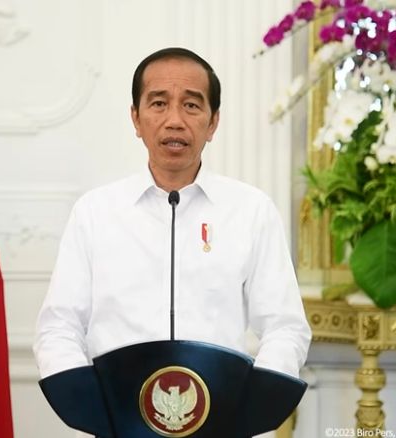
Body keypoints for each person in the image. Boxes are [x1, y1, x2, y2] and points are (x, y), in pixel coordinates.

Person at [34, 47, 311, 384]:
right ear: (136, 119)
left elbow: (285, 327)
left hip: (220, 407)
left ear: (213, 122)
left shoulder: (252, 211)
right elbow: (58, 327)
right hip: (115, 408)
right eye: (158, 104)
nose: (175, 120)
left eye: (191, 105)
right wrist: (86, 399)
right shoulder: (94, 212)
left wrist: (252, 401)